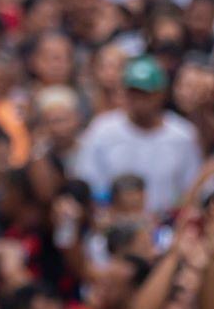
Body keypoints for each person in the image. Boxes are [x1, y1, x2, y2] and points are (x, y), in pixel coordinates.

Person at [73, 55, 202, 215]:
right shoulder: (102, 130)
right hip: (114, 226)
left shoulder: (183, 135)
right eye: (133, 92)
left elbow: (190, 190)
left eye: (145, 93)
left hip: (164, 226)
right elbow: (89, 184)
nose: (139, 99)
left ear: (160, 94)